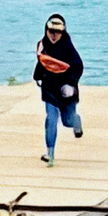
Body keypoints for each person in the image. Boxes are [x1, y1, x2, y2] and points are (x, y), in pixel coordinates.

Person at [33, 14, 83, 167]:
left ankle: (77, 122)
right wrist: (37, 77)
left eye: (58, 32)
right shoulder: (42, 45)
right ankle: (50, 153)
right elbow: (42, 63)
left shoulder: (68, 48)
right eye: (51, 31)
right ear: (46, 30)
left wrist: (71, 84)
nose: (54, 35)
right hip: (50, 89)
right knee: (51, 119)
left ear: (63, 32)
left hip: (66, 90)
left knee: (67, 121)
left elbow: (78, 67)